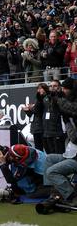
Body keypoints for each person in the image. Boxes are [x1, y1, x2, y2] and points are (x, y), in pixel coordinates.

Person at [44, 77, 77, 206]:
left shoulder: (72, 111)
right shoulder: (69, 108)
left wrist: (67, 120)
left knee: (51, 171)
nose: (62, 91)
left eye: (64, 89)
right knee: (49, 159)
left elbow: (74, 137)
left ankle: (71, 195)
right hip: (71, 154)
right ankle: (54, 192)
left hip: (75, 158)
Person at [23, 83, 49, 151]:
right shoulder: (37, 99)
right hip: (36, 128)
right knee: (38, 149)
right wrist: (27, 111)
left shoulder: (47, 98)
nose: (39, 90)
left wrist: (31, 108)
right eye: (38, 88)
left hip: (42, 127)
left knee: (46, 148)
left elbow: (38, 111)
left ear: (45, 89)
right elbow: (33, 115)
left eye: (41, 88)